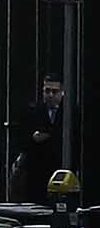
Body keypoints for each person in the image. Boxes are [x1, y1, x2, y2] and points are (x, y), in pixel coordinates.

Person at [13, 75, 68, 204]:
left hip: (60, 166)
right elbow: (20, 140)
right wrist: (33, 138)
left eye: (54, 91)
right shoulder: (32, 112)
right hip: (37, 171)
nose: (50, 95)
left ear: (62, 92)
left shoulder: (69, 112)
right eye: (47, 91)